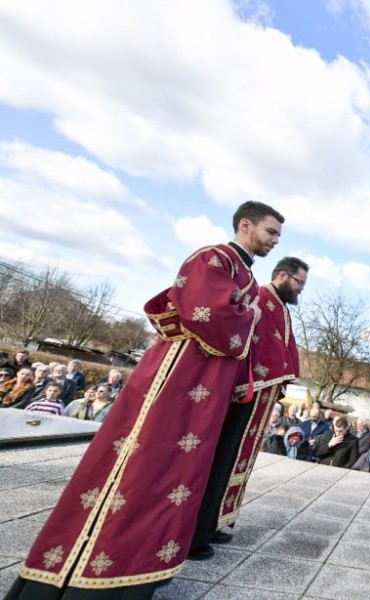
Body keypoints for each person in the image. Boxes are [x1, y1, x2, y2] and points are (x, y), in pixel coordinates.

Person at [6, 200, 283, 600]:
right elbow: (208, 315)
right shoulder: (213, 257)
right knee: (145, 465)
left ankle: (137, 574)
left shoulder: (244, 273)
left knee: (175, 476)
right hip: (179, 379)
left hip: (204, 387)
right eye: (270, 232)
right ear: (246, 225)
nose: (274, 241)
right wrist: (252, 315)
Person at [188, 256, 307, 560]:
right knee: (223, 459)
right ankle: (196, 533)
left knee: (235, 463)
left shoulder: (278, 306)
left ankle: (214, 523)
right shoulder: (261, 297)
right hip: (246, 393)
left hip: (260, 397)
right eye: (299, 282)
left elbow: (284, 346)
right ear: (282, 275)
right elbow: (255, 343)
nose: (301, 289)